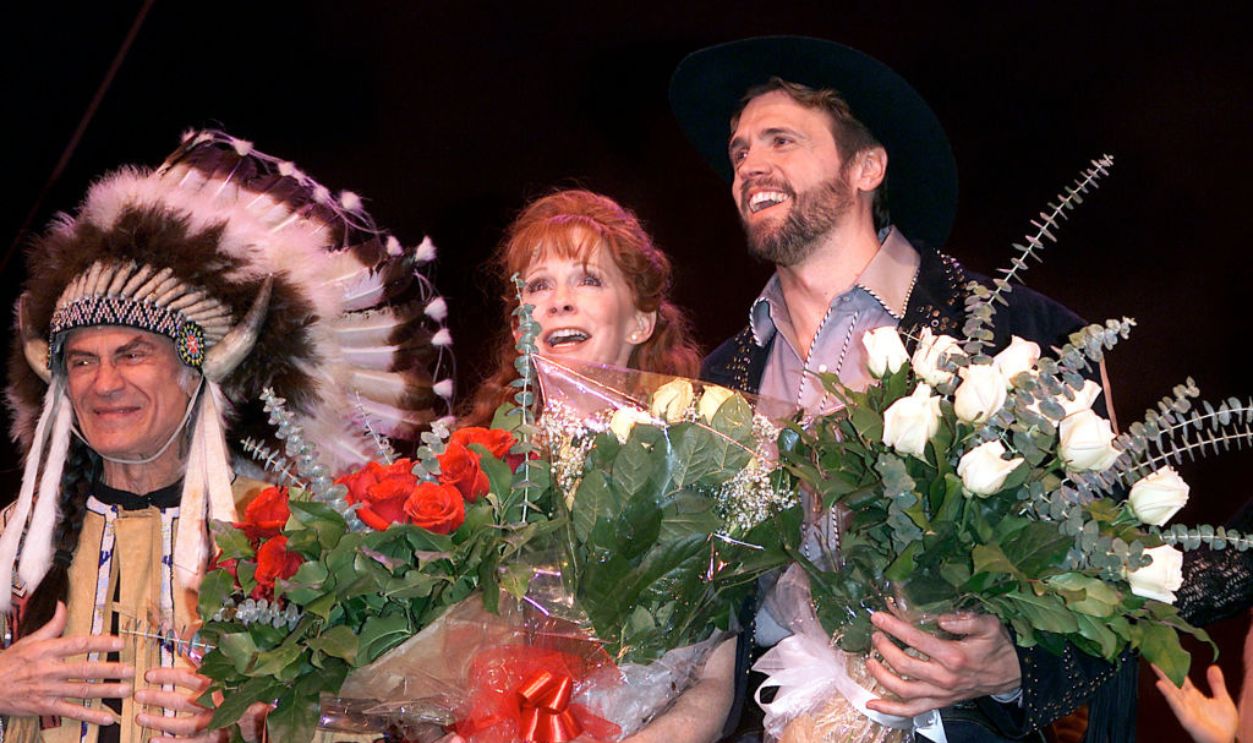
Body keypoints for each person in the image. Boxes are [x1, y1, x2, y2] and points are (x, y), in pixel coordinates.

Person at [669, 37, 1134, 741]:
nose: (748, 166)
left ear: (866, 165)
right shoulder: (718, 379)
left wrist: (1011, 663)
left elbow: (1130, 574)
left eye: (780, 140)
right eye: (738, 151)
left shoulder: (1021, 332)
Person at [0, 130, 452, 742]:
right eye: (81, 361)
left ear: (197, 372)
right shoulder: (15, 539)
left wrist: (252, 710)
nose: (103, 383)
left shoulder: (281, 541)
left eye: (133, 354)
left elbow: (391, 717)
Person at [460, 189, 735, 743]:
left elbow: (712, 681)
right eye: (537, 286)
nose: (559, 301)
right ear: (520, 330)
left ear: (639, 322)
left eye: (588, 279)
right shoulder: (470, 468)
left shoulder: (695, 459)